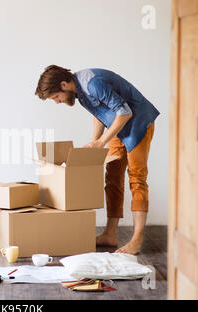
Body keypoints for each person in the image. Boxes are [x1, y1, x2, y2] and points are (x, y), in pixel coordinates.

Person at [35, 66, 160, 255]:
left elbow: (125, 112)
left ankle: (136, 240)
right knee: (112, 178)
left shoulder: (93, 84)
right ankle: (110, 234)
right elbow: (99, 113)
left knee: (137, 179)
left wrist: (102, 141)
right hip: (118, 126)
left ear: (63, 84)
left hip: (138, 124)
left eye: (55, 97)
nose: (57, 102)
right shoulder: (78, 90)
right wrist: (95, 142)